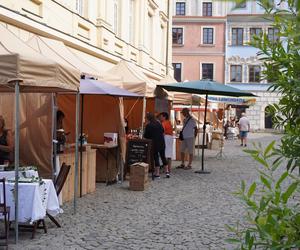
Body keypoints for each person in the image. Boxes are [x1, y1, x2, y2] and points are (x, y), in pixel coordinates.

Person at [144, 112, 168, 178]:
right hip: (162, 142)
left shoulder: (149, 125)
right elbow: (163, 131)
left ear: (148, 118)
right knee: (163, 156)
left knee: (156, 157)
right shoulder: (159, 123)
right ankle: (167, 172)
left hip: (154, 143)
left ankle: (157, 173)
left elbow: (146, 136)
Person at [159, 112, 173, 176]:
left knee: (165, 154)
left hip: (166, 138)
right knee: (169, 154)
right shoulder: (169, 122)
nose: (160, 118)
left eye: (161, 116)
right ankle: (169, 169)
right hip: (170, 138)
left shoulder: (163, 123)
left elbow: (163, 132)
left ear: (164, 117)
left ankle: (166, 169)